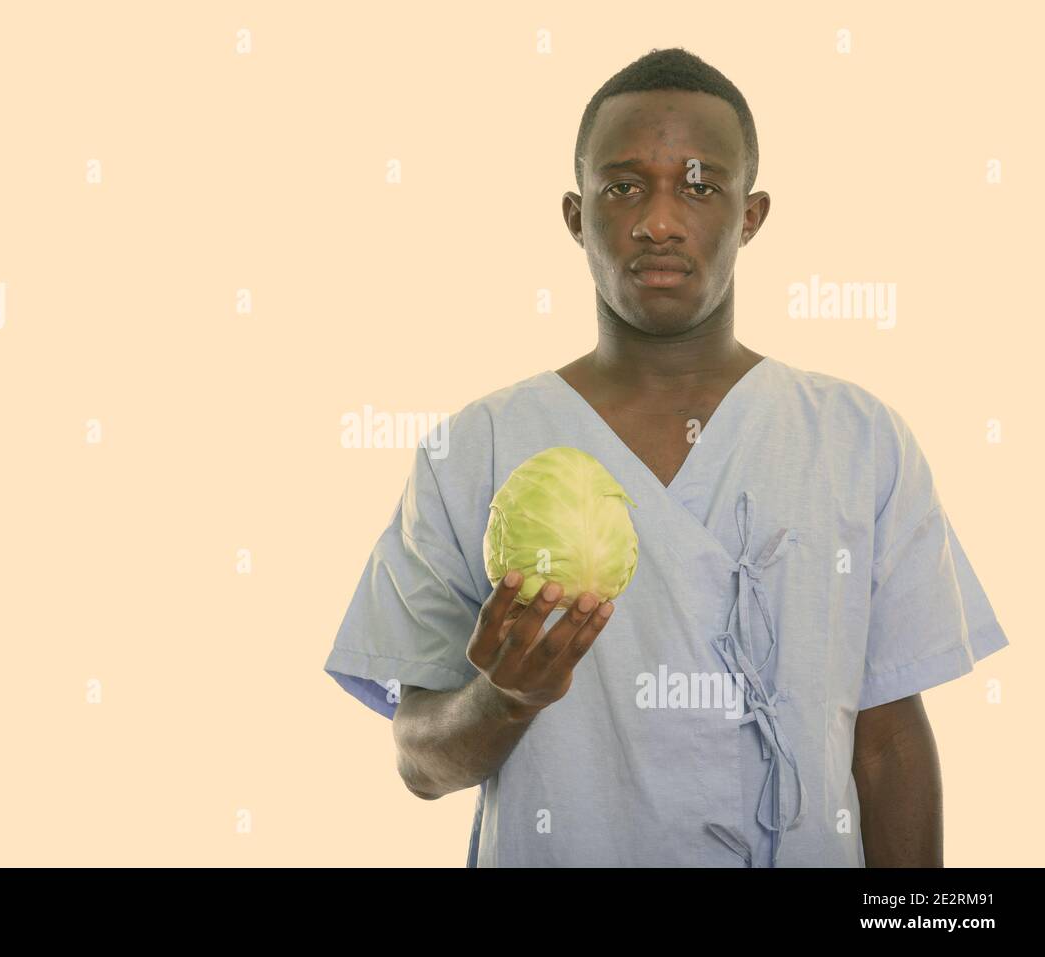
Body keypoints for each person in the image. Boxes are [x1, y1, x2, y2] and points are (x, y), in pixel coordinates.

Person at [321, 47, 1009, 867]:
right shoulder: (475, 448)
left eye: (699, 185)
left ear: (750, 216)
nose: (659, 219)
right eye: (623, 187)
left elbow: (889, 744)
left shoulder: (858, 440)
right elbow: (419, 762)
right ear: (576, 216)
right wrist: (503, 699)